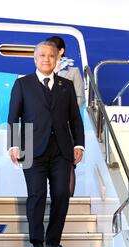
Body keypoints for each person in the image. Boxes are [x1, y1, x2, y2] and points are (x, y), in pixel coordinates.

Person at [8, 41, 85, 247]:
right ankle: (37, 244)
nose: (46, 59)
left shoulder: (66, 86)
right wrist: (13, 145)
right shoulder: (23, 84)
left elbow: (75, 119)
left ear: (57, 59)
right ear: (35, 58)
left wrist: (79, 144)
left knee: (62, 193)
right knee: (37, 195)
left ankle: (53, 240)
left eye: (51, 56)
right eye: (42, 55)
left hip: (62, 149)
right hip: (32, 148)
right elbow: (14, 117)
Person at [47, 35, 86, 196]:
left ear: (61, 51)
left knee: (67, 164)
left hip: (65, 125)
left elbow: (79, 99)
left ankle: (68, 201)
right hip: (46, 126)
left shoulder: (72, 71)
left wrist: (64, 110)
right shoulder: (43, 68)